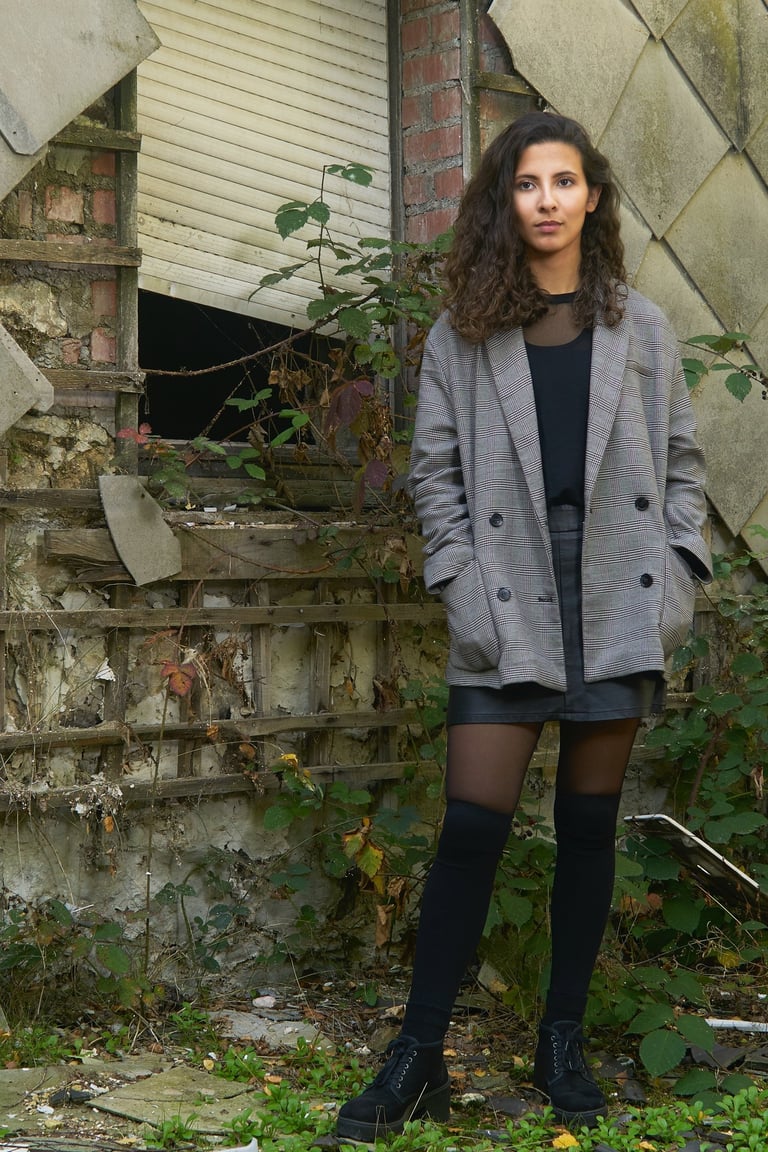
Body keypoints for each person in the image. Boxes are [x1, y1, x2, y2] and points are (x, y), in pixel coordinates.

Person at [336, 110, 712, 1141]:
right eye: (527, 183)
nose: (547, 200)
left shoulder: (644, 328)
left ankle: (561, 1042)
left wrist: (678, 577)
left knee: (589, 827)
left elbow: (683, 467)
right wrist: (460, 580)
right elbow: (435, 478)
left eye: (564, 181)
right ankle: (418, 1055)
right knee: (472, 825)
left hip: (619, 586)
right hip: (505, 587)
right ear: (505, 201)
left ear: (593, 197)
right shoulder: (464, 332)